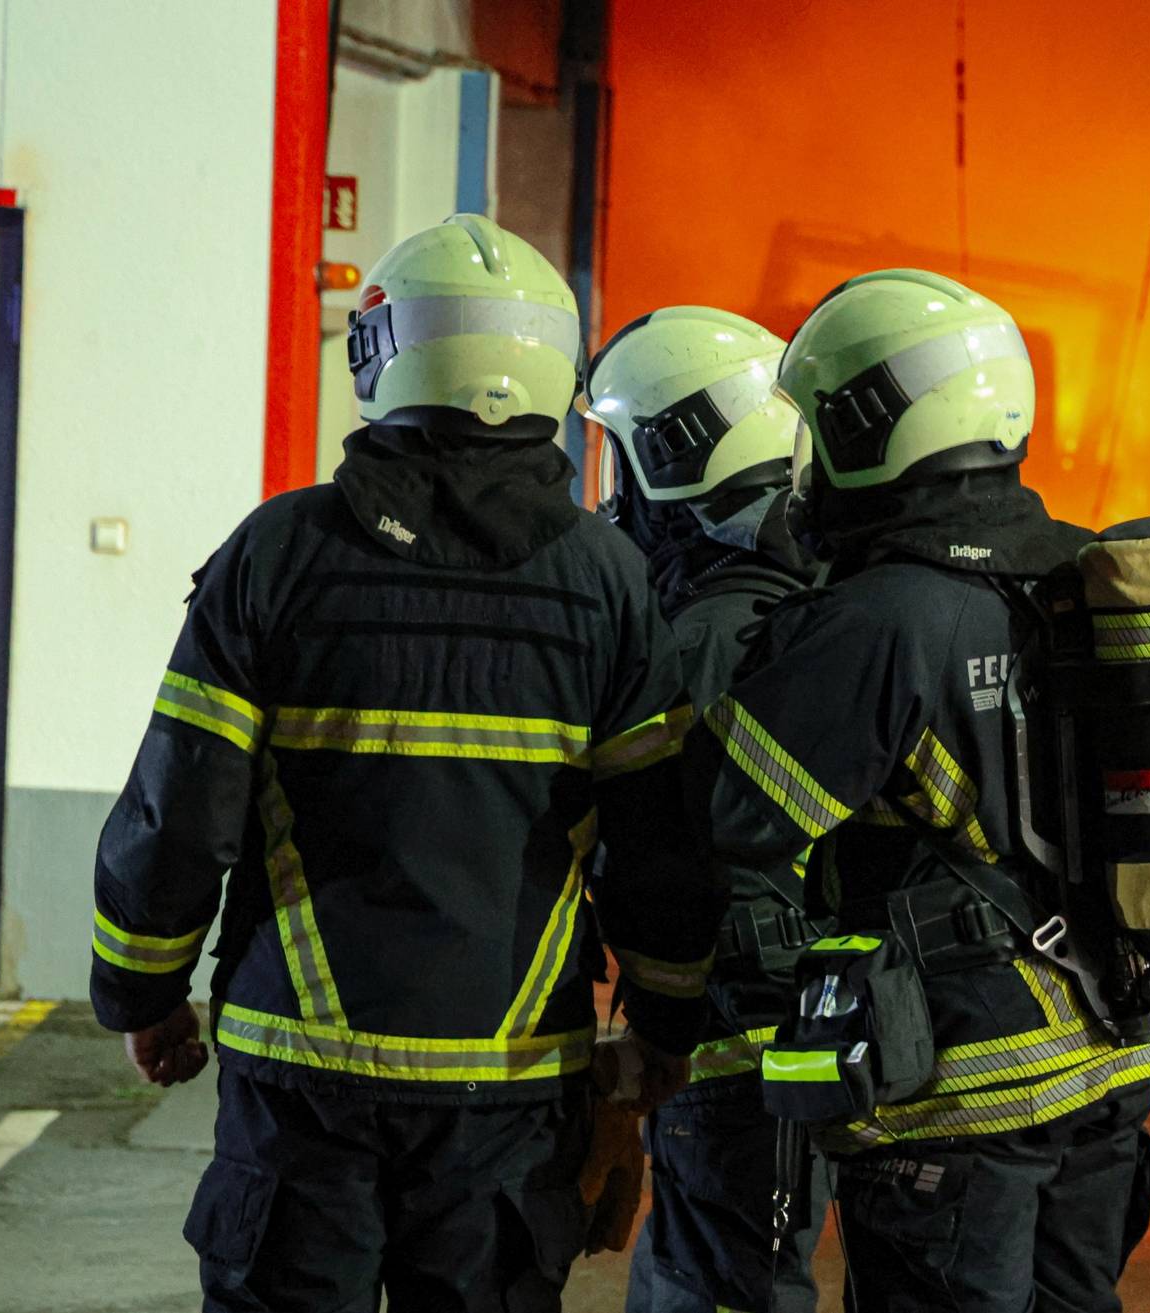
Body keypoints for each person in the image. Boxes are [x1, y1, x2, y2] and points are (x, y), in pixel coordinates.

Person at [88, 214, 724, 1312]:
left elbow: (181, 809)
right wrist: (663, 1020)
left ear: (383, 357)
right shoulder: (611, 578)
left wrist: (144, 989)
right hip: (510, 1091)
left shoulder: (280, 554)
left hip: (304, 1076)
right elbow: (661, 832)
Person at [684, 270, 1150, 1313]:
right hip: (1110, 1064)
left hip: (962, 1094)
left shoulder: (881, 615)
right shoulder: (1082, 572)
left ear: (874, 427)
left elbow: (733, 814)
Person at [577, 306, 834, 1313]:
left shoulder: (705, 633)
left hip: (729, 1023)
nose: (607, 497)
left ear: (674, 457)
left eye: (620, 462)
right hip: (798, 1014)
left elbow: (655, 849)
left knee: (713, 1285)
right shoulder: (808, 586)